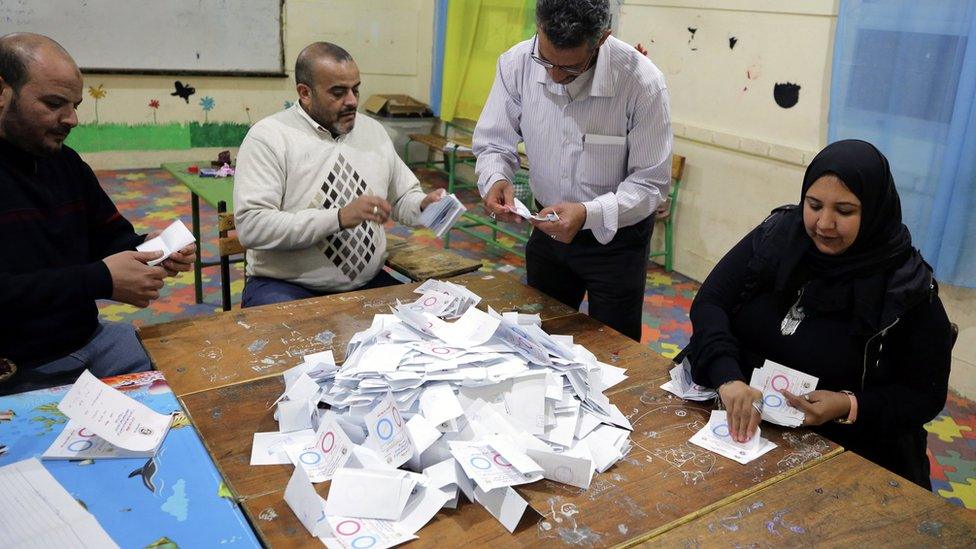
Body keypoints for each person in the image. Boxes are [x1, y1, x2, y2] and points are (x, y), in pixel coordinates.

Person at [685, 139, 952, 489]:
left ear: (873, 212)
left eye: (844, 211)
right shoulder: (778, 237)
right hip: (741, 423)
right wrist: (727, 376)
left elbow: (923, 396)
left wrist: (848, 405)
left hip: (844, 449)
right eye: (814, 205)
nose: (824, 223)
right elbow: (711, 301)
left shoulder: (906, 287)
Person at [0, 33, 196, 395]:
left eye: (74, 104)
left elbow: (110, 235)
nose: (72, 119)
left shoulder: (65, 163)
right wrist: (100, 279)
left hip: (90, 339)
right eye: (54, 103)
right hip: (18, 365)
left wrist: (152, 251)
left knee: (190, 387)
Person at [473, 0, 672, 341]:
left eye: (570, 69)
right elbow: (494, 142)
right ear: (538, 28)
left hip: (616, 242)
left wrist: (588, 213)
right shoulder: (517, 63)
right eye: (545, 60)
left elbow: (650, 184)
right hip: (547, 232)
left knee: (614, 348)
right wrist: (496, 178)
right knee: (539, 338)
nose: (554, 76)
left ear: (602, 39)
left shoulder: (641, 82)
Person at [234, 42, 443, 307]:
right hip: (286, 286)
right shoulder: (270, 138)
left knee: (427, 331)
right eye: (338, 92)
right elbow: (252, 227)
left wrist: (423, 204)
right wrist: (339, 218)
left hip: (368, 282)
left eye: (355, 89)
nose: (353, 101)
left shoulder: (373, 132)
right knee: (283, 345)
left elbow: (402, 198)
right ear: (305, 93)